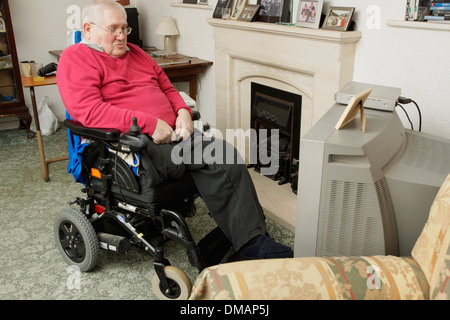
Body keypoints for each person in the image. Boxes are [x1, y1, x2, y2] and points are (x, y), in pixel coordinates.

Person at [57, 0, 293, 260]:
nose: (122, 36)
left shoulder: (137, 53)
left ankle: (249, 240)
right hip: (132, 145)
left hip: (174, 134)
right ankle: (250, 243)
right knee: (214, 162)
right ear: (88, 29)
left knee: (226, 156)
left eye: (125, 28)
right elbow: (88, 112)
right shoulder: (76, 59)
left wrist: (182, 112)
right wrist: (148, 123)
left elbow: (168, 88)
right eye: (113, 29)